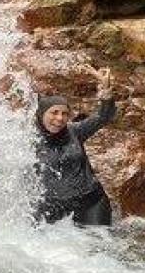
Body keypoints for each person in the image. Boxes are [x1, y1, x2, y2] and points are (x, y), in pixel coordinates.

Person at [33, 65, 118, 226]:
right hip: (52, 207)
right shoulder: (28, 139)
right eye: (54, 112)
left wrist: (106, 90)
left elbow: (104, 116)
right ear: (41, 114)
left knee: (100, 247)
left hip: (90, 203)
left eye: (65, 114)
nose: (60, 118)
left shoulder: (75, 131)